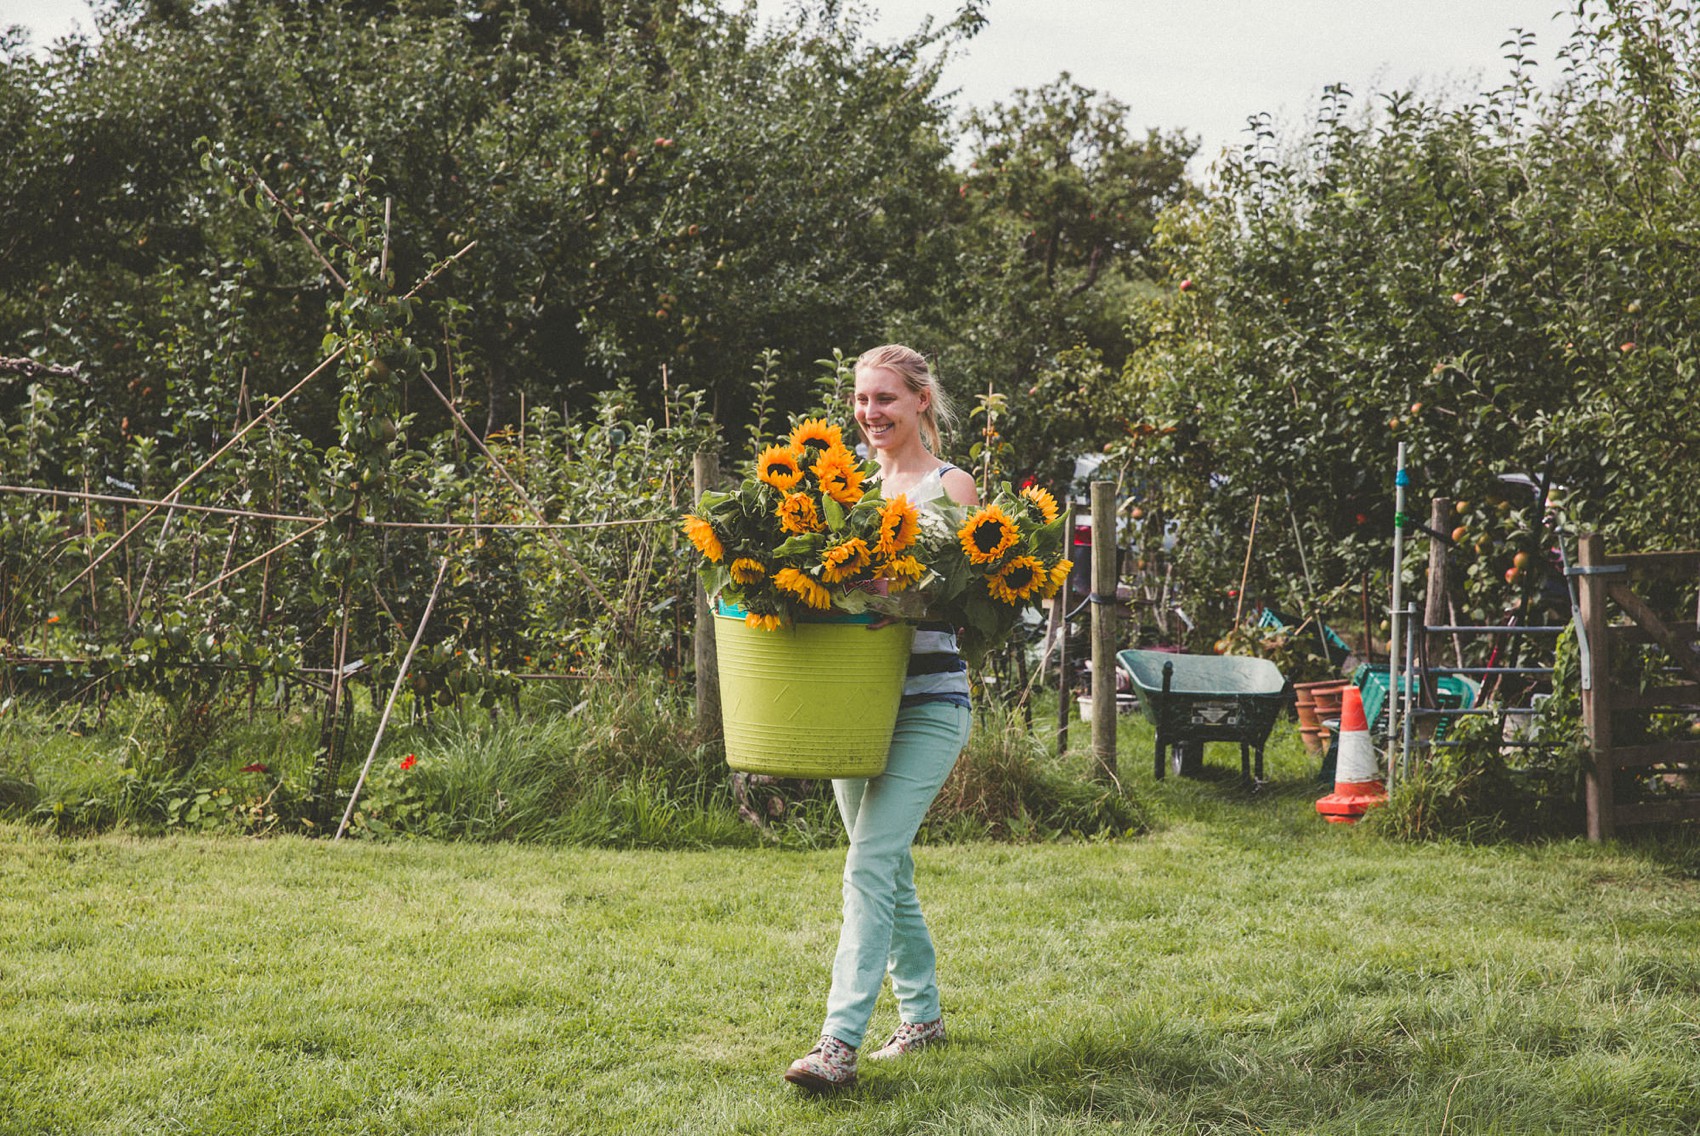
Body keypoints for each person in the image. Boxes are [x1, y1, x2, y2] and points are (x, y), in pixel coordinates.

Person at [784, 345, 979, 1092]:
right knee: (884, 866)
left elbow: (964, 603)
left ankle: (836, 1044)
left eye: (886, 400)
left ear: (921, 400)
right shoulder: (850, 490)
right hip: (853, 705)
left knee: (866, 864)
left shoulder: (949, 486)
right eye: (862, 401)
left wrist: (889, 591)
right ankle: (923, 1019)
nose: (870, 414)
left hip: (930, 703)